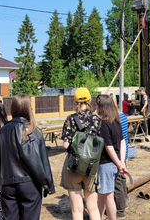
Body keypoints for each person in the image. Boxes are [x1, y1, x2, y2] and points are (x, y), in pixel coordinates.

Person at [0, 94, 55, 220]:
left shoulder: (3, 130)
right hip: (29, 184)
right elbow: (42, 162)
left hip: (8, 184)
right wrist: (48, 184)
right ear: (28, 108)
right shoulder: (33, 131)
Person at [60, 87, 102, 220]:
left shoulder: (70, 119)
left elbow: (66, 144)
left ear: (75, 101)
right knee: (93, 209)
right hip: (91, 167)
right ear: (90, 100)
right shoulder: (97, 119)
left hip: (74, 166)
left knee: (77, 210)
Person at [96, 94, 128, 220]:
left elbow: (108, 147)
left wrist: (119, 163)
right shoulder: (116, 121)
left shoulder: (104, 123)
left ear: (102, 107)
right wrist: (121, 162)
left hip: (106, 164)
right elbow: (122, 142)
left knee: (107, 196)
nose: (95, 107)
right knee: (104, 195)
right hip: (115, 163)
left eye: (97, 105)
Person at [115, 108, 129, 219]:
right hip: (124, 152)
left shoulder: (115, 119)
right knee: (122, 179)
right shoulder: (123, 117)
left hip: (118, 154)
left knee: (118, 181)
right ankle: (124, 201)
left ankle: (120, 210)